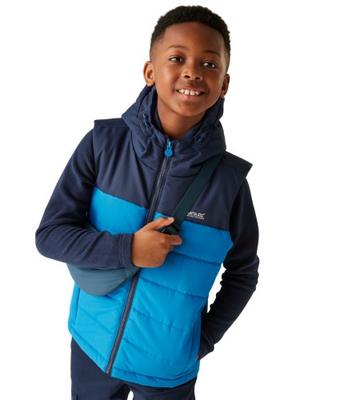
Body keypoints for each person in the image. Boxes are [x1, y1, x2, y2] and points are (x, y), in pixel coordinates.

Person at [35, 5, 260, 400]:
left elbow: (243, 273)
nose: (192, 72)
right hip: (91, 347)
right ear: (150, 71)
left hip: (168, 370)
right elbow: (50, 235)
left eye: (209, 64)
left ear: (224, 83)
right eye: (177, 58)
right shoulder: (103, 145)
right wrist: (129, 249)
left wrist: (201, 340)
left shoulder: (230, 183)